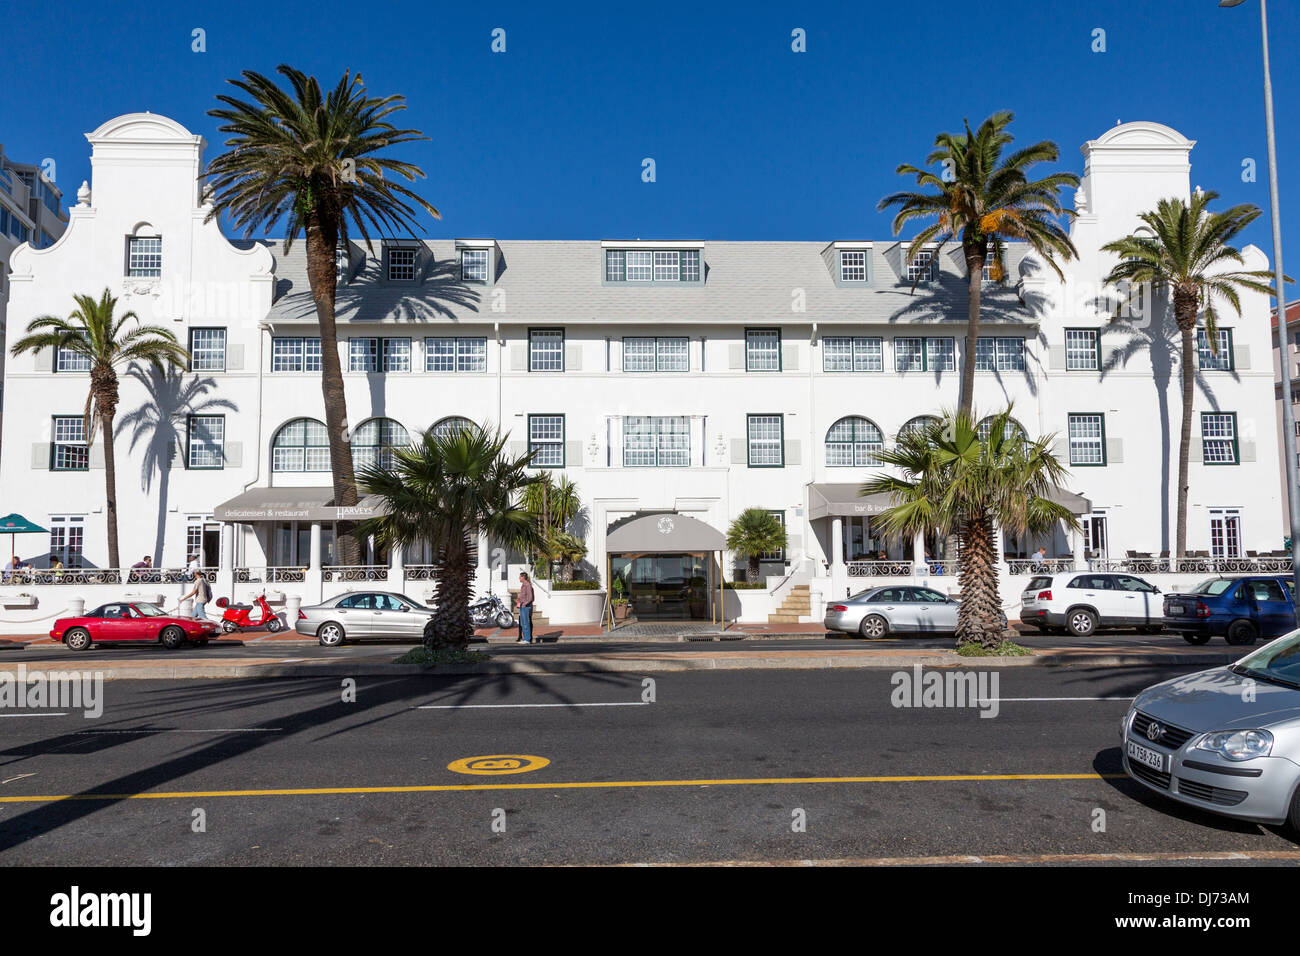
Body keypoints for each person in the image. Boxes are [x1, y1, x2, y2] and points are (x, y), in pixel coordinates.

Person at [515, 571, 535, 645]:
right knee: (523, 623)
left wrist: (524, 604)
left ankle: (527, 639)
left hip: (526, 606)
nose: (519, 578)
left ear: (523, 577)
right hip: (522, 605)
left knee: (526, 623)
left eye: (520, 577)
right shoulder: (523, 585)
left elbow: (530, 597)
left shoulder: (527, 585)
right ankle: (525, 638)